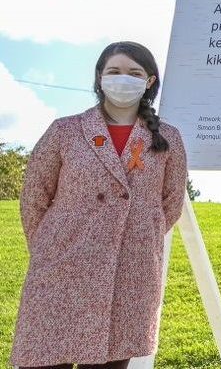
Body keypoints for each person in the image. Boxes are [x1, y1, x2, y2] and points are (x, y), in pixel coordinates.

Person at [12, 41, 188, 369]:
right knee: (44, 359)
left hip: (131, 269)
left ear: (149, 81)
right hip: (62, 267)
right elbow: (34, 196)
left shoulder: (168, 138)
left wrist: (139, 237)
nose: (124, 79)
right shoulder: (64, 131)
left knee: (110, 361)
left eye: (134, 73)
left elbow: (170, 203)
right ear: (100, 77)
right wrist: (49, 248)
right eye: (115, 71)